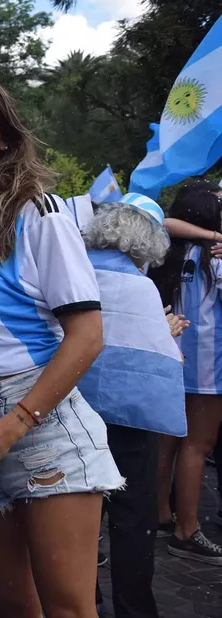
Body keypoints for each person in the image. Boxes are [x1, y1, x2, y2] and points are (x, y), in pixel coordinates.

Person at [0, 71, 123, 618]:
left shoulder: (39, 212)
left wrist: (12, 426)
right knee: (15, 606)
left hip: (43, 426)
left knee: (69, 609)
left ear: (5, 137)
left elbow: (87, 335)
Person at [76, 195, 185, 617]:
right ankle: (134, 607)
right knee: (133, 515)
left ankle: (84, 599)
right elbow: (161, 359)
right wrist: (166, 330)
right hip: (131, 419)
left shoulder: (77, 270)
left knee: (80, 511)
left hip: (73, 409)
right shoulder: (142, 287)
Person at [148, 185, 222, 565]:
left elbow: (163, 222)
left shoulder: (166, 254)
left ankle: (161, 513)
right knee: (198, 445)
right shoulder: (215, 259)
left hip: (173, 355)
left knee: (170, 440)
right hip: (210, 365)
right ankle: (187, 530)